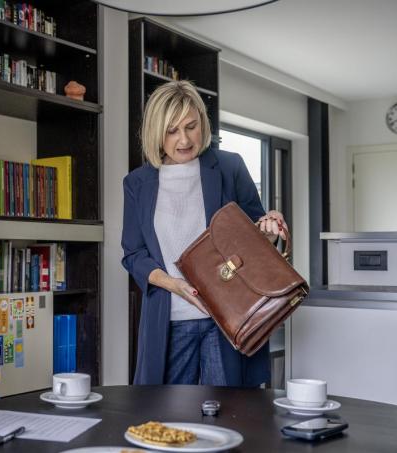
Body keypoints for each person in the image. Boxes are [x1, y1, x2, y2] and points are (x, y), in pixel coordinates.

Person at [122, 80, 287, 387]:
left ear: (203, 122)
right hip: (168, 321)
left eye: (191, 126)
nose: (184, 139)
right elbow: (133, 255)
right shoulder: (137, 184)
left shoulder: (229, 167)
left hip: (226, 319)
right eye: (172, 130)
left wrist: (269, 229)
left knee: (230, 415)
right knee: (168, 417)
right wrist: (173, 284)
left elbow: (256, 237)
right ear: (156, 133)